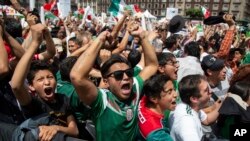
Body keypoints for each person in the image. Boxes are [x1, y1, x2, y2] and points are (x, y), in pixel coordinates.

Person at [70, 23, 158, 141]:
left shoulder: (135, 88)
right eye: (118, 75)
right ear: (106, 81)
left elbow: (152, 66)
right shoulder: (102, 101)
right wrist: (100, 39)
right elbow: (76, 76)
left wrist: (142, 36)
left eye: (129, 73)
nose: (126, 77)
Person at [11, 23, 79, 141]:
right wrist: (35, 43)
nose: (47, 82)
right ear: (31, 86)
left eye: (50, 77)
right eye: (40, 79)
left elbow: (74, 131)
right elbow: (16, 85)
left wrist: (56, 128)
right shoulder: (33, 103)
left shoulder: (63, 99)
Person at [169, 75, 211, 141]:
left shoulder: (189, 107)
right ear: (194, 99)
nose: (210, 92)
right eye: (206, 90)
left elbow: (206, 120)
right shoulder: (187, 121)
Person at [138, 74, 177, 141]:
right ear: (154, 98)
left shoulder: (144, 99)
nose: (175, 94)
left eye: (174, 89)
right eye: (169, 92)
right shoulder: (158, 135)